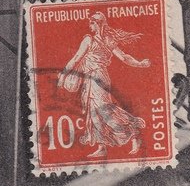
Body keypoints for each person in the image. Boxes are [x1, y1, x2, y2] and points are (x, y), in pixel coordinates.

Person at [57, 11, 150, 157]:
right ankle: (102, 147)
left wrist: (139, 64)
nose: (89, 26)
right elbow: (76, 58)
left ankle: (133, 132)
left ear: (98, 23)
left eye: (92, 23)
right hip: (90, 78)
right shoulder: (95, 40)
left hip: (98, 77)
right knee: (92, 111)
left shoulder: (99, 40)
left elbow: (123, 57)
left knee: (104, 110)